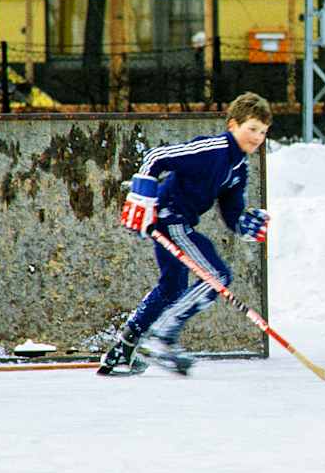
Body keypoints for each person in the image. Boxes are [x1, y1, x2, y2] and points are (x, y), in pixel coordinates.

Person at [98, 91, 273, 376]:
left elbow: (231, 212)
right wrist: (142, 198)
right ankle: (162, 338)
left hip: (179, 222)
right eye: (252, 128)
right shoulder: (212, 150)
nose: (257, 137)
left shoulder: (237, 167)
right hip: (169, 218)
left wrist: (244, 224)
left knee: (172, 287)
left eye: (263, 132)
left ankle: (122, 352)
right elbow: (157, 157)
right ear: (233, 125)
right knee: (216, 276)